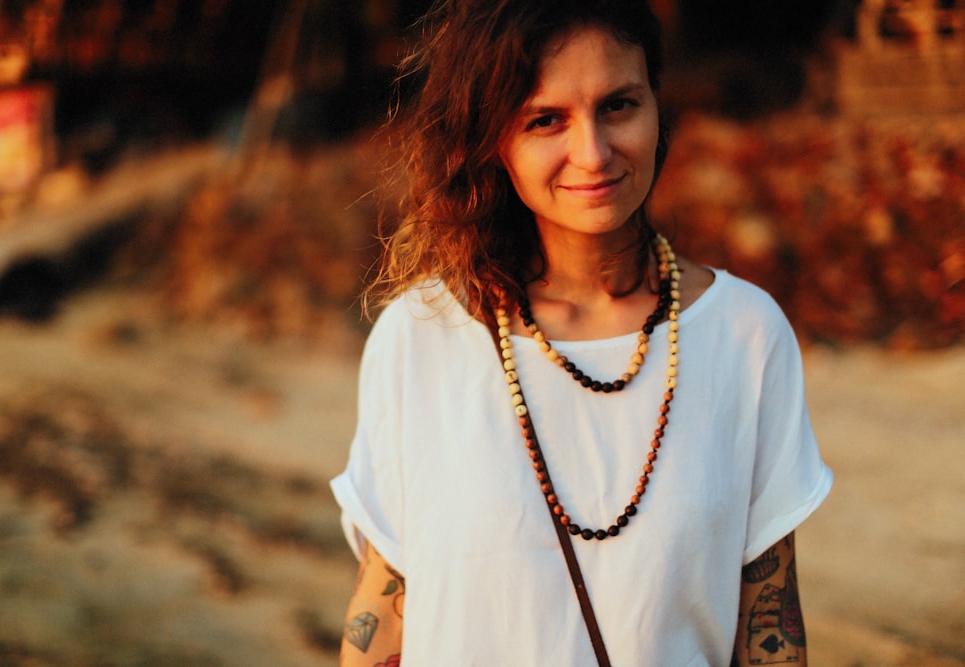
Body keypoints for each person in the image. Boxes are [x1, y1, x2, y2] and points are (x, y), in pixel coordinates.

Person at [330, 1, 833, 665]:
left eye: (619, 105)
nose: (592, 152)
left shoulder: (744, 335)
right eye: (546, 120)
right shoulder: (420, 339)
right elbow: (382, 624)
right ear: (495, 142)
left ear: (658, 107)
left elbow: (769, 632)